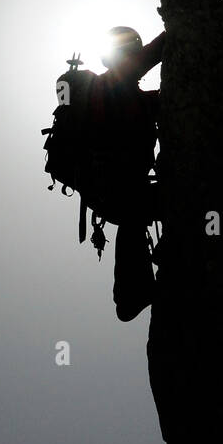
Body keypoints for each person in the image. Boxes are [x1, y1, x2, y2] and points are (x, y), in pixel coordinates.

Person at [89, 26, 165, 321]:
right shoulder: (112, 83)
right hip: (117, 185)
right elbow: (154, 53)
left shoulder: (127, 95)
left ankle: (133, 292)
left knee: (137, 216)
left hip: (111, 189)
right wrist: (180, 20)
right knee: (138, 215)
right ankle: (131, 294)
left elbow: (160, 102)